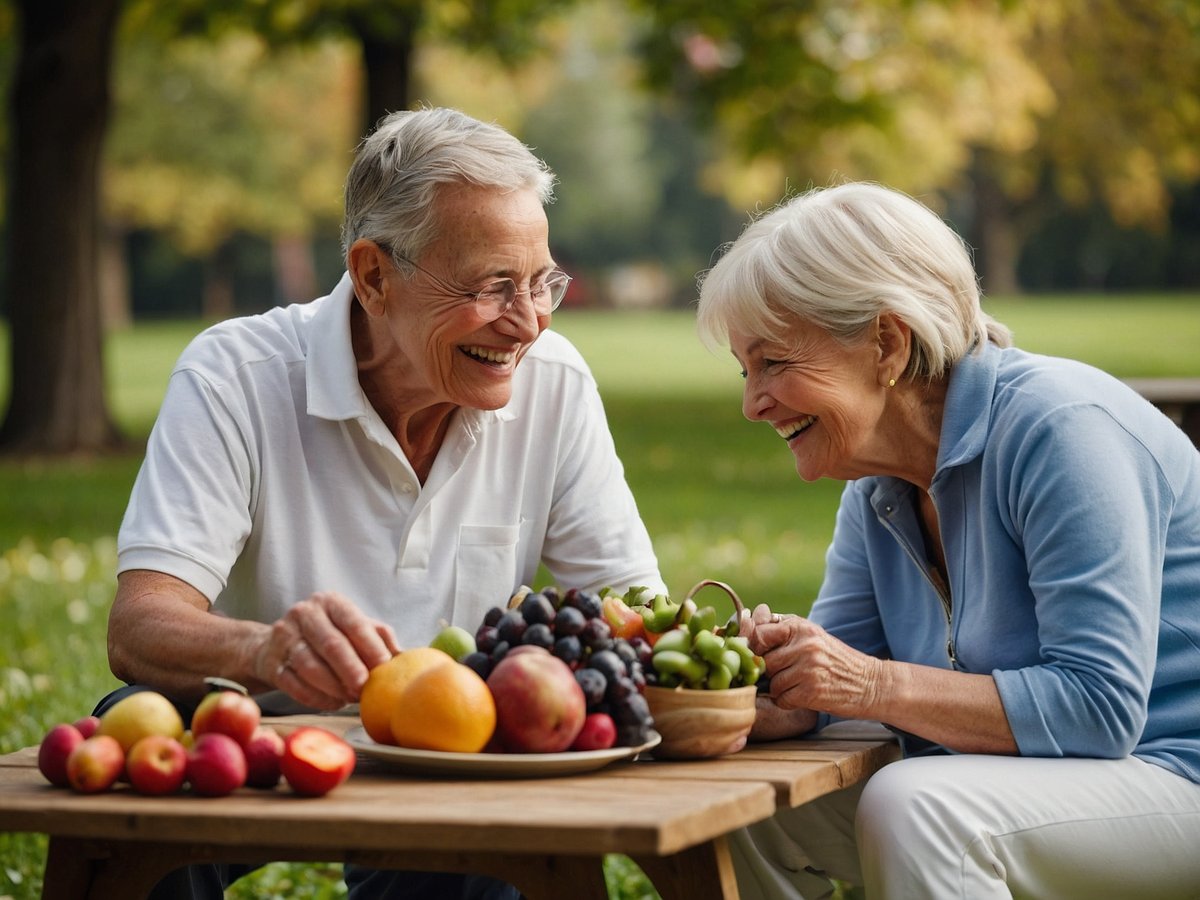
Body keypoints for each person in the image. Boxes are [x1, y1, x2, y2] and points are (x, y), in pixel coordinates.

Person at [100, 107, 665, 899]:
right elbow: (139, 627)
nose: (529, 321)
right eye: (493, 286)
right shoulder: (236, 375)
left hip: (454, 746)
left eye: (541, 283)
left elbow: (631, 615)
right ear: (372, 276)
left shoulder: (556, 385)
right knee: (134, 734)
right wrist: (261, 652)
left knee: (491, 834)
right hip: (254, 725)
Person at [695, 182, 1200, 898]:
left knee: (918, 807)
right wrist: (795, 695)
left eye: (774, 363)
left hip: (1174, 768)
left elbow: (1100, 708)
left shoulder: (1060, 430)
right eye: (746, 371)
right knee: (752, 807)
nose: (753, 403)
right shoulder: (876, 487)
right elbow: (845, 682)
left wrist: (870, 683)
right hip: (1049, 783)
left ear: (887, 342)